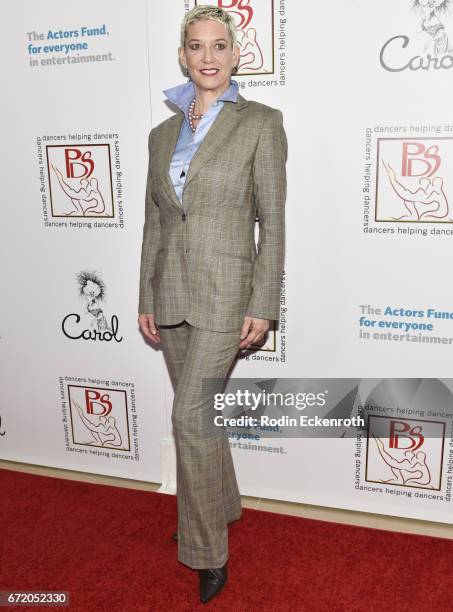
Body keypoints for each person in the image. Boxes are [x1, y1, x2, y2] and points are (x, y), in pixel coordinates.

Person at [138, 5, 287, 604]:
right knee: (201, 415)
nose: (207, 56)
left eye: (218, 45)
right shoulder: (159, 136)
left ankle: (205, 552)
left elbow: (271, 223)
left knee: (190, 416)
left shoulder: (261, 123)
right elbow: (155, 222)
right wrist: (146, 292)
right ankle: (221, 506)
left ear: (235, 54)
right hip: (170, 290)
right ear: (182, 55)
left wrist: (264, 300)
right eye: (195, 46)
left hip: (228, 294)